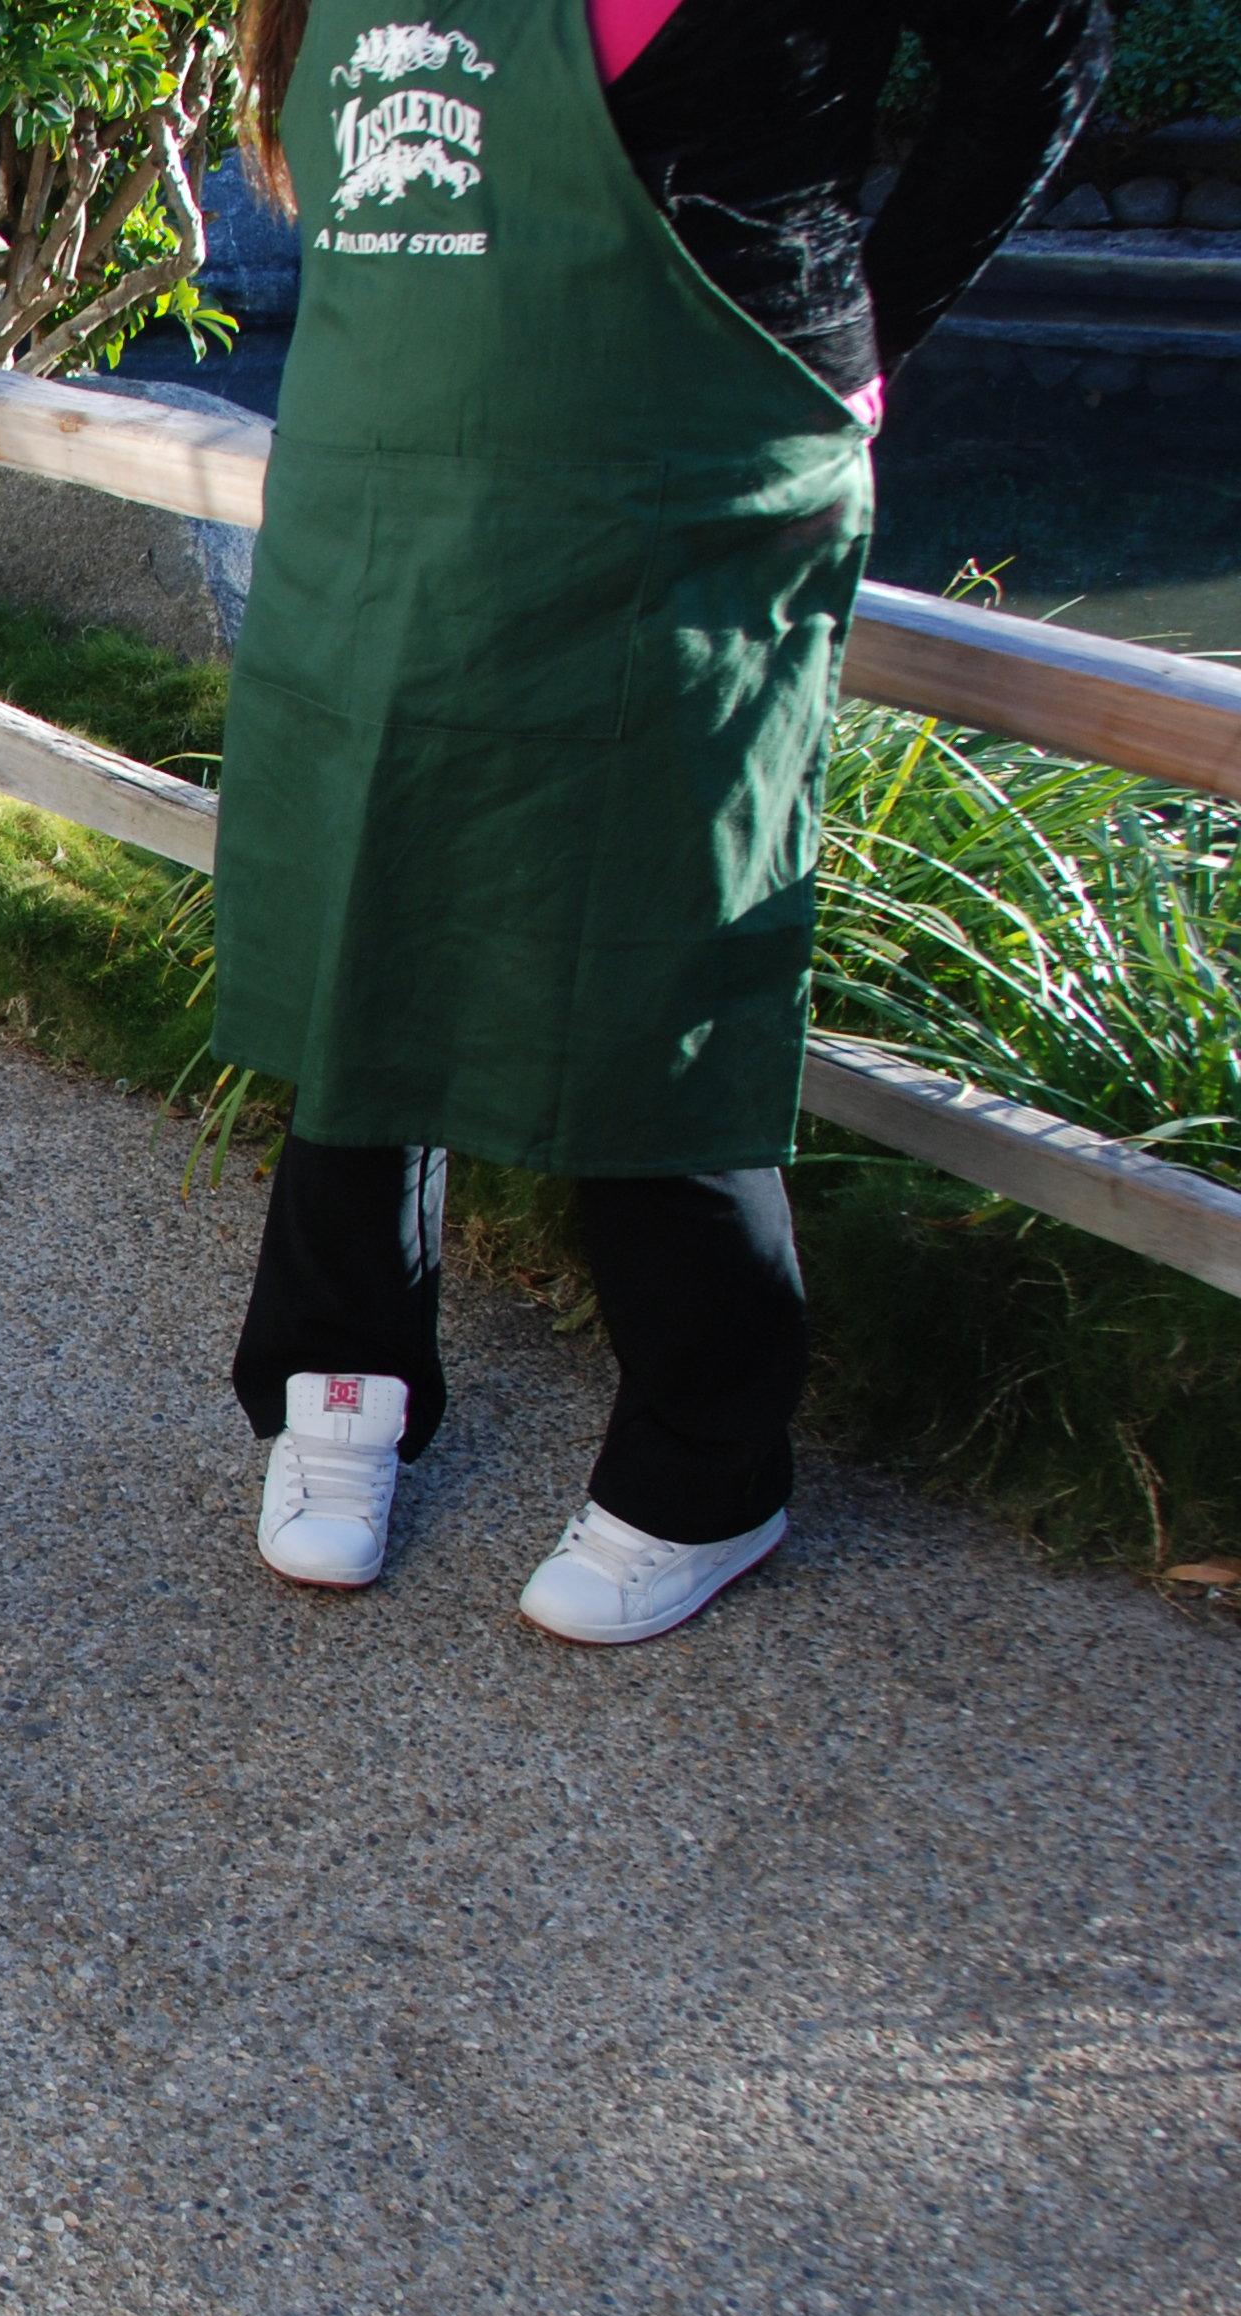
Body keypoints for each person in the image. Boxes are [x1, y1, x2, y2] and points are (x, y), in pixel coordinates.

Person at [216, 0, 1103, 1643]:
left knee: (654, 930)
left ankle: (707, 1457)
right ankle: (341, 1366)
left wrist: (848, 340)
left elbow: (1040, 55)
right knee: (363, 896)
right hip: (382, 462)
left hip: (688, 476)